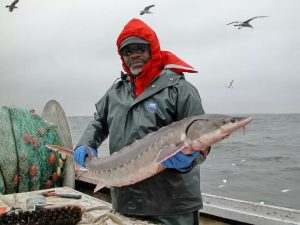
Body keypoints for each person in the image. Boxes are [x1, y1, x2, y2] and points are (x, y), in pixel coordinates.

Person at [74, 18, 209, 225]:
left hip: (173, 207)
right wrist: (86, 143)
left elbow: (203, 137)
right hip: (125, 201)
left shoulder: (180, 89)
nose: (134, 55)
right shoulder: (115, 92)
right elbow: (99, 122)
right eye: (128, 51)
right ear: (122, 57)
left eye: (140, 49)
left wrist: (191, 159)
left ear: (152, 49)